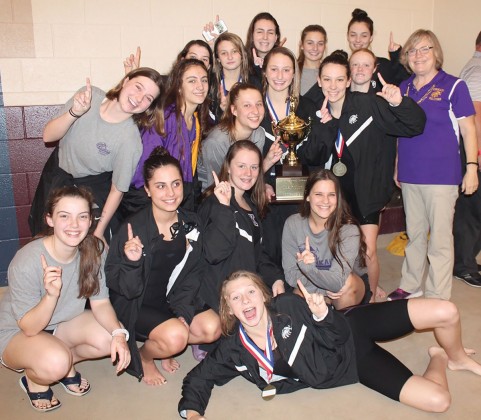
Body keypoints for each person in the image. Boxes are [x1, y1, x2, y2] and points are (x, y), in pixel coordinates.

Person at [178, 270, 481, 418]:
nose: (245, 300)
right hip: (354, 365)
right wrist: (193, 413)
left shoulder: (287, 307)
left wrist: (323, 314)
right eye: (236, 297)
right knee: (439, 401)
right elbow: (199, 378)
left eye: (251, 292)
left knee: (447, 310)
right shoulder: (233, 349)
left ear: (264, 296)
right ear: (229, 308)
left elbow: (336, 335)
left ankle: (455, 356)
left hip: (350, 327)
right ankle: (439, 357)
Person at [303, 50, 426, 302]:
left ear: (349, 81)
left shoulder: (367, 104)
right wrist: (323, 128)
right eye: (327, 79)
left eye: (339, 79)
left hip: (365, 192)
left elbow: (415, 125)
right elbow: (310, 157)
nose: (333, 86)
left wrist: (398, 102)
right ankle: (339, 293)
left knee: (368, 250)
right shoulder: (316, 113)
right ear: (319, 81)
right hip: (333, 196)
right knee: (333, 249)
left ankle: (369, 298)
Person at [0, 186, 130, 412]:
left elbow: (100, 303)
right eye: (64, 216)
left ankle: (63, 362)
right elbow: (29, 328)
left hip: (61, 324)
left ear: (91, 221)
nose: (74, 225)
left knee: (110, 335)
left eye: (82, 217)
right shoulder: (27, 260)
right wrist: (51, 295)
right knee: (55, 363)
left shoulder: (94, 250)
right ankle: (36, 378)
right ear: (49, 219)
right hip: (18, 332)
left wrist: (118, 334)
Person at [106, 147, 220, 385]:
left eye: (176, 184)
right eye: (160, 186)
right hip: (137, 305)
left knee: (212, 328)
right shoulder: (132, 230)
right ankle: (146, 356)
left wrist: (183, 313)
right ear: (147, 190)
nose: (170, 193)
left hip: (171, 300)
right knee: (176, 337)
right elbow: (124, 291)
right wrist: (131, 262)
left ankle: (164, 343)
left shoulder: (191, 222)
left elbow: (193, 274)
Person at [388, 30, 479, 301]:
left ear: (436, 53)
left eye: (425, 49)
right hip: (410, 173)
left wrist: (472, 167)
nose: (418, 56)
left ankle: (438, 294)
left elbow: (469, 130)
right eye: (413, 50)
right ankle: (411, 283)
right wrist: (397, 166)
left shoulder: (454, 86)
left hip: (442, 176)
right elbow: (400, 132)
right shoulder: (403, 88)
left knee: (439, 239)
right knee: (414, 235)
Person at [29, 68, 163, 243]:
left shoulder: (129, 140)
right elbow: (48, 136)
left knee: (83, 249)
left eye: (148, 98)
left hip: (91, 191)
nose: (139, 99)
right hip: (56, 175)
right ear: (125, 81)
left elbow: (117, 190)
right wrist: (75, 113)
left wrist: (99, 231)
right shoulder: (89, 97)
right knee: (46, 238)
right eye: (138, 87)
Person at [198, 140, 285, 313]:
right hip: (220, 300)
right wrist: (224, 208)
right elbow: (214, 254)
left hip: (247, 292)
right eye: (241, 166)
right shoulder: (214, 203)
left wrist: (276, 279)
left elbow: (258, 256)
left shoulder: (250, 205)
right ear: (228, 167)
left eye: (254, 167)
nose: (248, 173)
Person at [129, 59, 210, 213]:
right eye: (192, 81)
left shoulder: (194, 120)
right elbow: (144, 170)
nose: (200, 86)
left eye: (204, 80)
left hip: (176, 196)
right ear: (179, 87)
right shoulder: (165, 118)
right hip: (146, 199)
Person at [282, 170, 369, 309]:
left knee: (345, 285)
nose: (326, 201)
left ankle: (343, 327)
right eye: (318, 194)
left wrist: (309, 269)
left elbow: (337, 282)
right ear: (308, 196)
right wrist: (323, 290)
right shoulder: (293, 224)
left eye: (331, 195)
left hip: (349, 286)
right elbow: (291, 275)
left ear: (338, 198)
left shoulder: (348, 230)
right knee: (293, 303)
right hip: (318, 285)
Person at [198, 82, 282, 191]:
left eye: (259, 104)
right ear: (234, 110)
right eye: (247, 105)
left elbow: (248, 176)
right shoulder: (216, 142)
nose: (255, 111)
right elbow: (216, 187)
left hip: (239, 193)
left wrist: (268, 161)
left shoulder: (258, 134)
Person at [453, 31, 481, 288]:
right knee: (471, 213)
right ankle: (464, 266)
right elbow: (474, 120)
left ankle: (466, 261)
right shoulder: (477, 72)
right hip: (475, 154)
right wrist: (476, 159)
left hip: (474, 154)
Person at [347, 8, 409, 90]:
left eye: (364, 35)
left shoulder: (383, 65)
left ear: (371, 38)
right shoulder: (342, 66)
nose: (358, 40)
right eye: (353, 35)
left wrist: (396, 56)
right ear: (347, 36)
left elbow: (406, 83)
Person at [209, 32, 252, 124]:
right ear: (218, 58)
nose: (230, 57)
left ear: (242, 54)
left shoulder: (254, 84)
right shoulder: (209, 85)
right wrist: (222, 111)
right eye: (224, 53)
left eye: (234, 51)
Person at [245, 12, 284, 79]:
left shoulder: (284, 63)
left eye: (270, 33)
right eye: (260, 32)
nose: (265, 37)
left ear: (276, 37)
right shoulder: (242, 62)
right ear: (252, 35)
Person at [298, 25, 327, 95]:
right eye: (310, 43)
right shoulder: (292, 71)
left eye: (320, 44)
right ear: (301, 45)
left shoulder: (329, 72)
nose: (315, 48)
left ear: (325, 46)